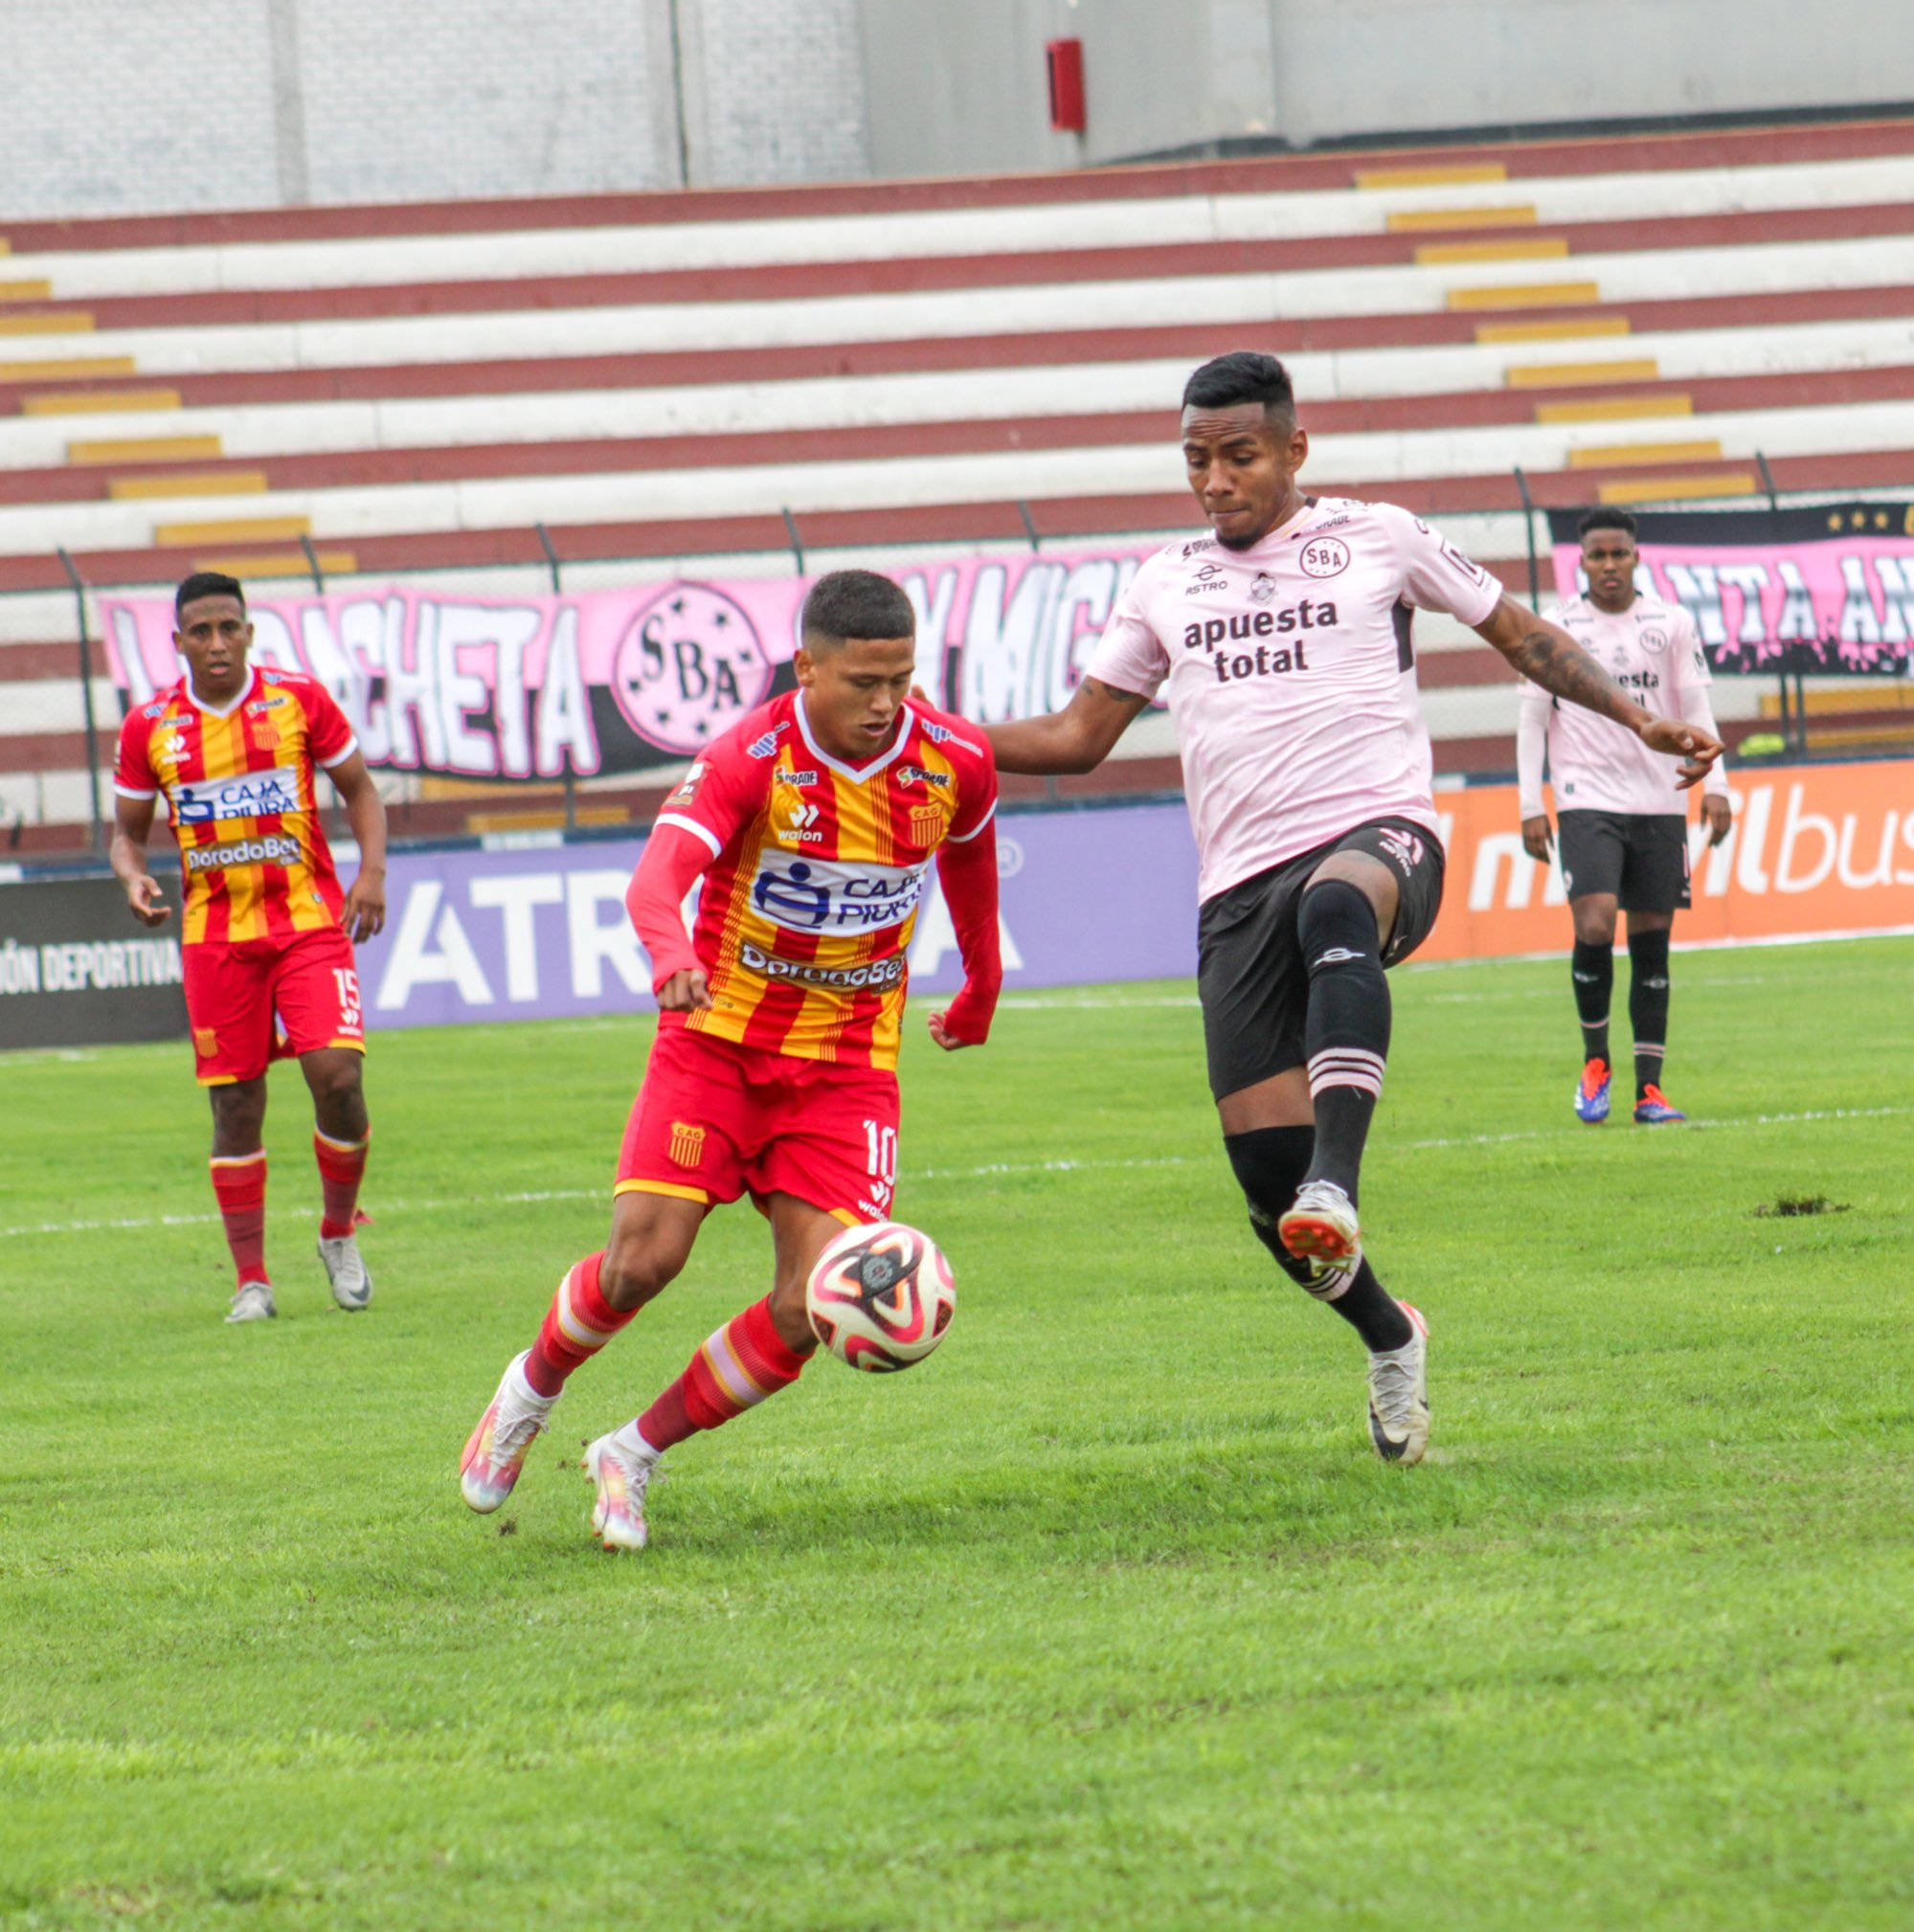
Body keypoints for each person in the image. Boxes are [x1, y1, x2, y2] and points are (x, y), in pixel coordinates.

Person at [981, 351, 1723, 1465]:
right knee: (1269, 1200)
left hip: (1380, 832)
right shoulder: (1164, 581)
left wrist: (1633, 717)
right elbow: (1074, 739)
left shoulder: (1378, 535)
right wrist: (918, 732)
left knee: (1338, 906)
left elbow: (1520, 633)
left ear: (1293, 449)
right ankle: (1388, 1330)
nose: (1215, 480)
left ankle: (1341, 1173)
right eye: (1196, 459)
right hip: (1234, 888)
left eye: (1237, 455)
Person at [459, 569, 1002, 1551]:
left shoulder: (954, 757)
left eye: (901, 680)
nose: (885, 705)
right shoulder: (749, 757)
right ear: (806, 666)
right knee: (643, 1260)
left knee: (811, 1303)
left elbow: (967, 856)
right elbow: (656, 879)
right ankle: (529, 1389)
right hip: (716, 1044)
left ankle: (631, 1452)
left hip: (845, 1066)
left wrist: (982, 981)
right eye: (861, 683)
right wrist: (671, 959)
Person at [109, 571, 388, 1321]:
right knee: (236, 1104)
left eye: (229, 627)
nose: (217, 643)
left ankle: (337, 1231)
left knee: (338, 1078)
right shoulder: (151, 728)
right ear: (178, 643)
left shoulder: (297, 699)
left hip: (306, 923)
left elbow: (359, 787)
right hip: (215, 938)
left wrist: (372, 874)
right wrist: (132, 879)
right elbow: (125, 837)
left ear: (249, 632)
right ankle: (252, 1280)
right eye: (200, 632)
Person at [1519, 505, 1732, 1126]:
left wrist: (1715, 782)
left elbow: (1695, 706)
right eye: (1596, 555)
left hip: (1659, 798)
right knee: (1593, 921)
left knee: (1650, 941)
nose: (1608, 565)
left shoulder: (1670, 623)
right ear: (1579, 561)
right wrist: (1531, 802)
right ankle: (1594, 1062)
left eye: (1618, 554)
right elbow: (1533, 717)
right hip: (1584, 795)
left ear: (1635, 557)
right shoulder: (1555, 626)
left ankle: (1648, 1090)